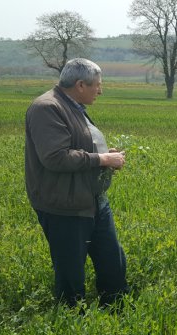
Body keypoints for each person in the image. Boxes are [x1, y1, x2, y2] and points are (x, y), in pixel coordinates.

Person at [24, 58, 130, 308]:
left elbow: (78, 143)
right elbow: (55, 157)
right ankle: (72, 319)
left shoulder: (71, 105)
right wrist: (102, 159)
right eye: (97, 85)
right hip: (65, 205)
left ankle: (115, 309)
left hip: (93, 200)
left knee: (112, 261)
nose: (100, 91)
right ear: (80, 85)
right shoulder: (47, 108)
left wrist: (105, 155)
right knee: (70, 269)